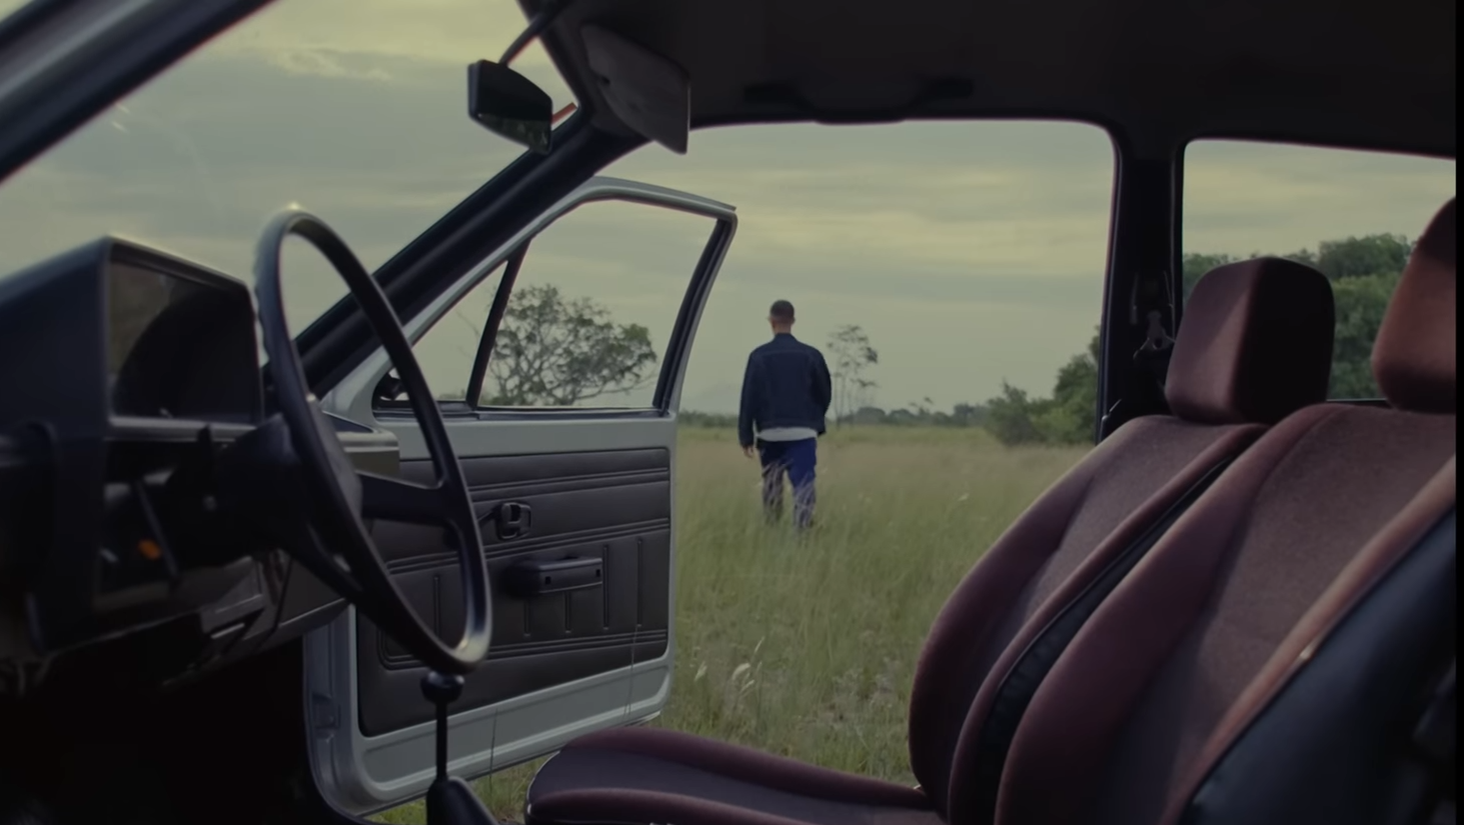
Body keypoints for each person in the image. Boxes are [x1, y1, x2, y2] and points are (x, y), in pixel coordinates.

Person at [737, 299, 833, 530]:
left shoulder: (758, 356)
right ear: (793, 321)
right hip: (803, 433)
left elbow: (748, 398)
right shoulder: (812, 355)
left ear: (771, 322)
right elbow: (825, 393)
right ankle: (802, 534)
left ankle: (772, 530)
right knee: (804, 486)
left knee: (771, 486)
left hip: (769, 434)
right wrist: (814, 420)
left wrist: (746, 436)